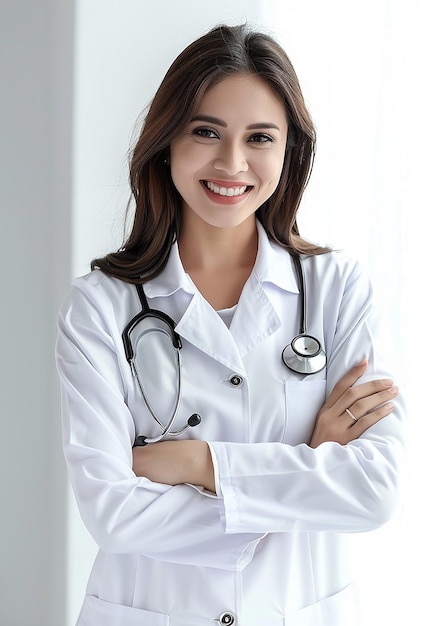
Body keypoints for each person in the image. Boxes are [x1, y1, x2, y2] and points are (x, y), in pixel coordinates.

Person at [56, 23, 405, 626]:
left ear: (289, 150)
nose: (232, 162)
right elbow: (111, 513)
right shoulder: (100, 307)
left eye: (260, 137)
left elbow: (373, 490)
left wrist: (201, 465)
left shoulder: (336, 289)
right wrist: (310, 463)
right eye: (206, 132)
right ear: (167, 143)